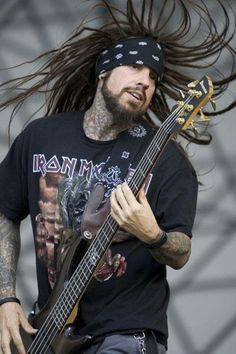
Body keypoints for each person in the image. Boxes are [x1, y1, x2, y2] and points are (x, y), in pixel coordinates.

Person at [0, 1, 235, 354]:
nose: (145, 80)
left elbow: (181, 251)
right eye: (135, 66)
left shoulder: (167, 159)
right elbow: (5, 209)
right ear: (103, 72)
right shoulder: (40, 137)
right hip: (49, 328)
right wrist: (6, 298)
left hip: (127, 331)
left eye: (154, 77)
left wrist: (151, 234)